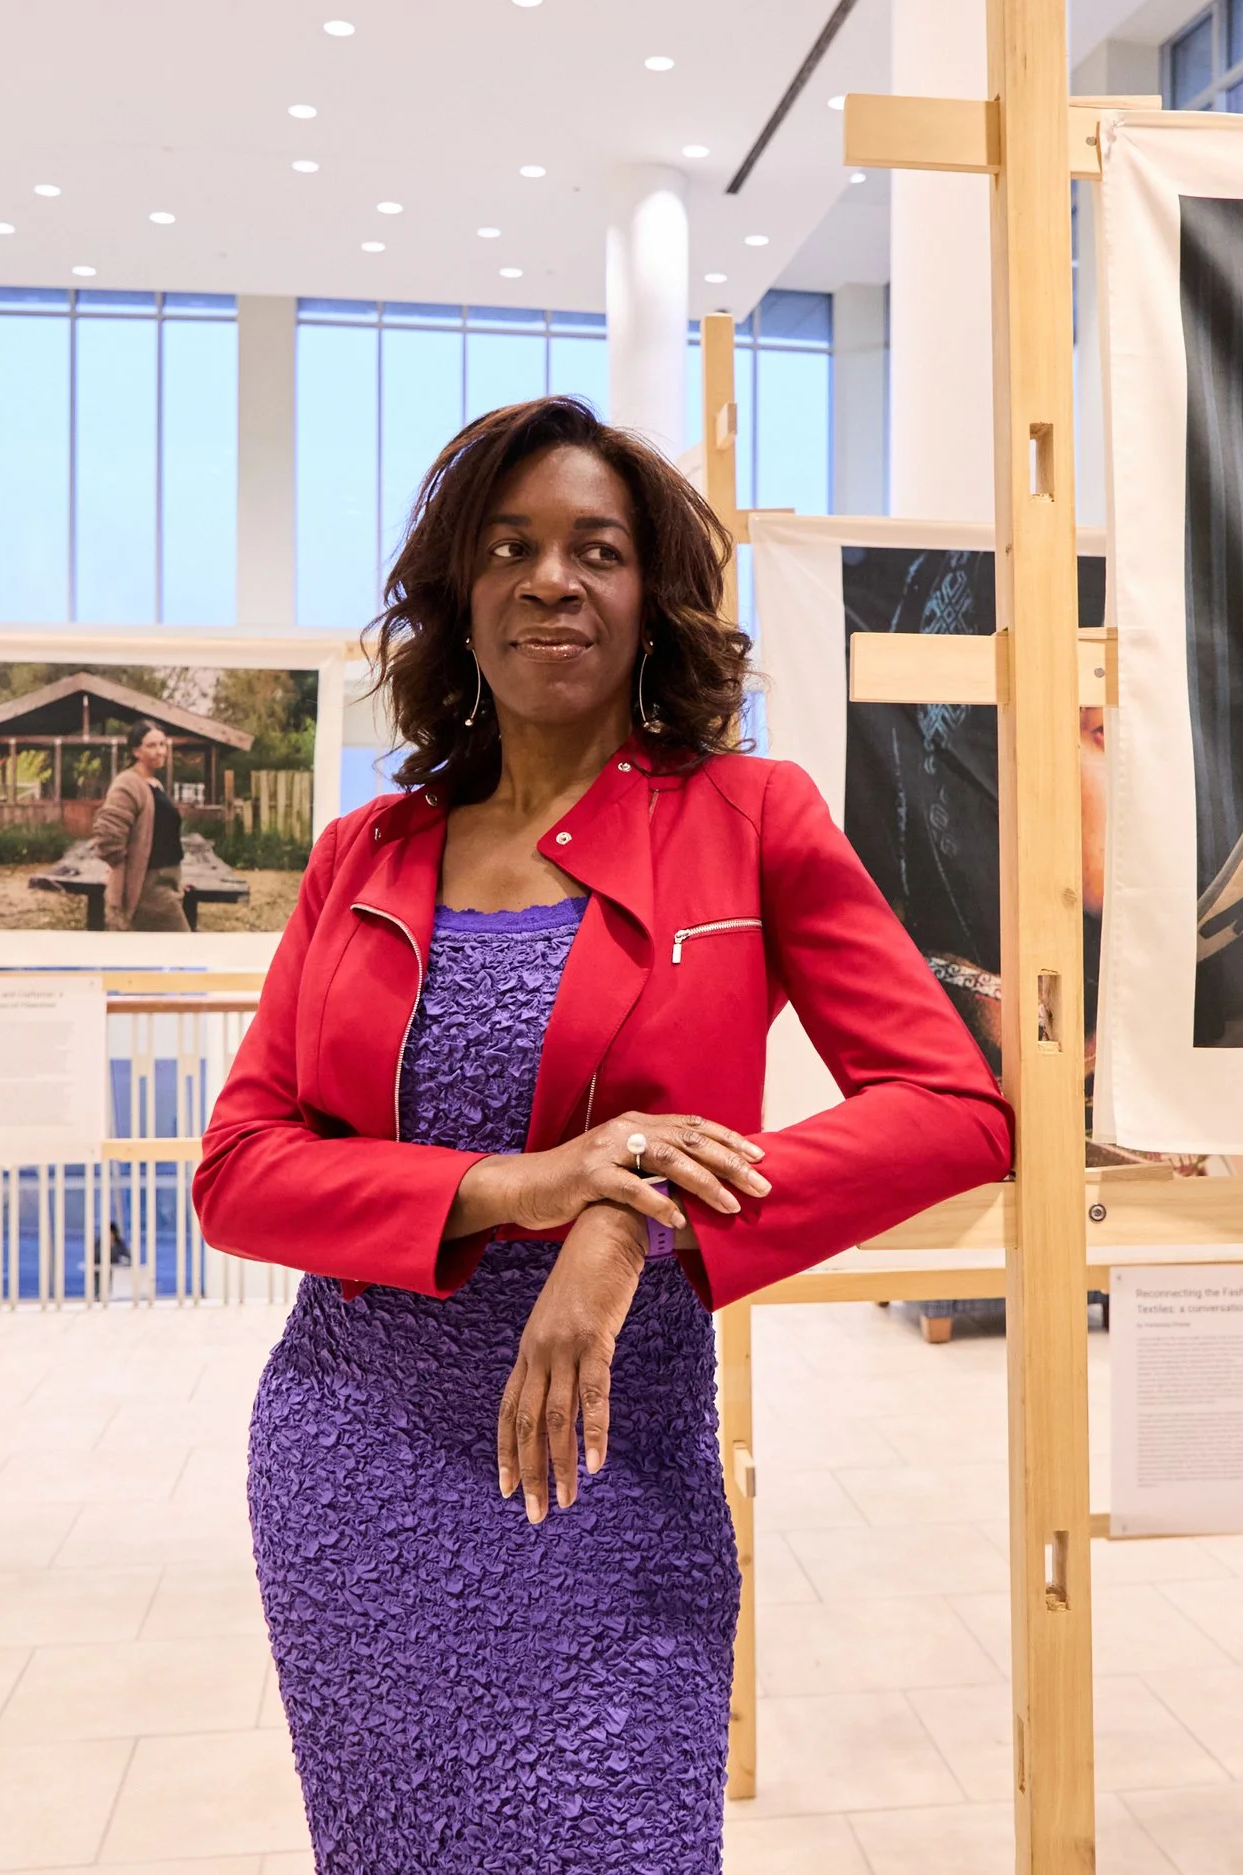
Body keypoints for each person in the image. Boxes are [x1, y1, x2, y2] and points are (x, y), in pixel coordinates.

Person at [192, 395, 1012, 1873]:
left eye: (597, 547)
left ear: (654, 600)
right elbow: (241, 1169)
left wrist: (635, 1206)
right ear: (461, 598)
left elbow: (954, 1108)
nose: (550, 578)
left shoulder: (749, 817)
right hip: (357, 1467)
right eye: (508, 547)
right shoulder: (361, 854)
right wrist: (520, 1184)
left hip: (607, 1477)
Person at [88, 719, 187, 931]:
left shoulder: (155, 784)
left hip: (166, 882)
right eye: (151, 746)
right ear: (136, 751)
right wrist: (125, 874)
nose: (159, 751)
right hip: (148, 888)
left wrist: (174, 880)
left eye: (162, 744)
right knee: (183, 951)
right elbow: (108, 838)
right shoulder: (128, 783)